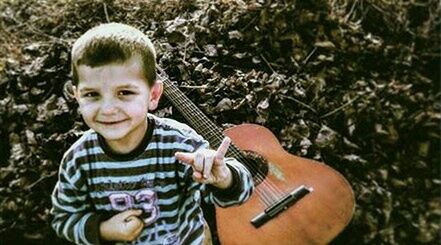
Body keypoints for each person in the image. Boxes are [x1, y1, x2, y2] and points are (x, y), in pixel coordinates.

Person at [50, 22, 254, 245]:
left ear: (153, 95)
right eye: (92, 94)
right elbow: (63, 218)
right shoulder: (78, 160)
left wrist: (224, 178)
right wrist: (103, 229)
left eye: (125, 92)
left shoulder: (179, 144)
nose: (107, 108)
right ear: (77, 96)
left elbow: (239, 194)